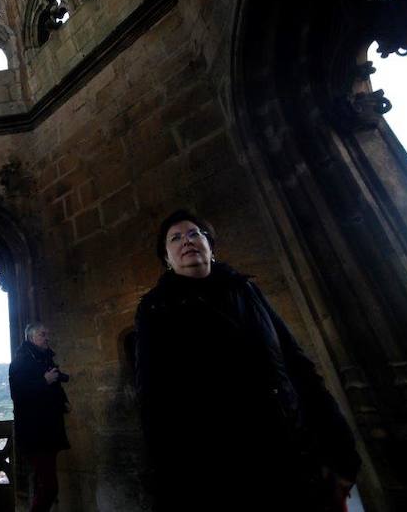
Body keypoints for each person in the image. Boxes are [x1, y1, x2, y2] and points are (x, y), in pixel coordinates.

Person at [134, 210, 361, 511]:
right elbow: (155, 400)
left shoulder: (246, 290)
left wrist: (340, 453)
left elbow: (297, 366)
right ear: (166, 258)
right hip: (223, 468)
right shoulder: (155, 309)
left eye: (194, 234)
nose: (186, 241)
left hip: (290, 452)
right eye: (174, 238)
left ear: (210, 246)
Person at [9, 323, 70, 512]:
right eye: (43, 334)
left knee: (43, 483)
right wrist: (44, 380)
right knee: (49, 487)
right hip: (36, 431)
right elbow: (18, 393)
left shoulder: (42, 358)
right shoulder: (21, 361)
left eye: (47, 334)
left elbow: (54, 384)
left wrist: (63, 401)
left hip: (47, 429)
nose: (47, 338)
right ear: (31, 337)